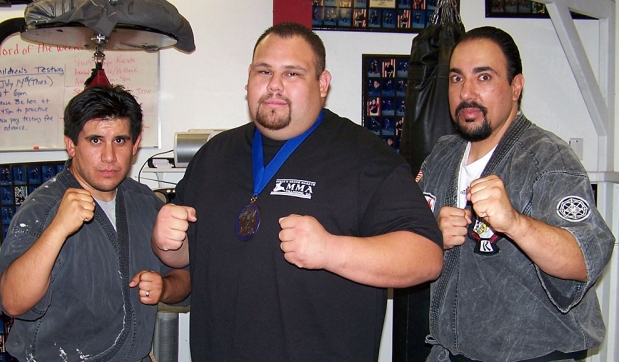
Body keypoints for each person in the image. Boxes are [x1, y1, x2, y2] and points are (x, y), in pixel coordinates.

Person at [152, 22, 443, 361]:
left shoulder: (365, 157)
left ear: (322, 84)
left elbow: (426, 257)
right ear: (249, 78)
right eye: (265, 71)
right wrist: (166, 241)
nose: (274, 85)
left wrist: (331, 250)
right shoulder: (214, 155)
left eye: (292, 74)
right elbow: (187, 256)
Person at [418, 26, 615, 362]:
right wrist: (432, 234)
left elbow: (585, 259)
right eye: (456, 79)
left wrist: (514, 223)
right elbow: (411, 238)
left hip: (536, 354)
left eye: (483, 78)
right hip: (453, 351)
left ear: (515, 86)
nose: (467, 93)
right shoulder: (441, 155)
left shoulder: (547, 158)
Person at [0, 85, 191, 361]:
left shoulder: (144, 202)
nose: (109, 156)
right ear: (72, 145)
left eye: (119, 141)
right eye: (95, 141)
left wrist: (165, 288)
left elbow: (186, 276)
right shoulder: (43, 207)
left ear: (135, 145)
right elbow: (13, 301)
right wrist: (58, 229)